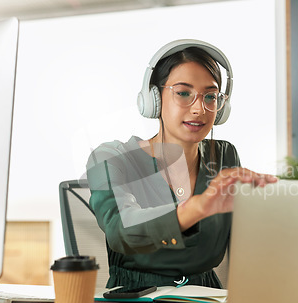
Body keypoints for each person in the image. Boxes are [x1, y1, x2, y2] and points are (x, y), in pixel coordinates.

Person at [86, 40, 277, 289]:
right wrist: (197, 207)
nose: (199, 108)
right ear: (153, 99)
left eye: (210, 96)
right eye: (183, 93)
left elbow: (246, 242)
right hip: (137, 302)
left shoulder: (224, 156)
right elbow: (120, 230)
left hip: (209, 299)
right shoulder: (112, 157)